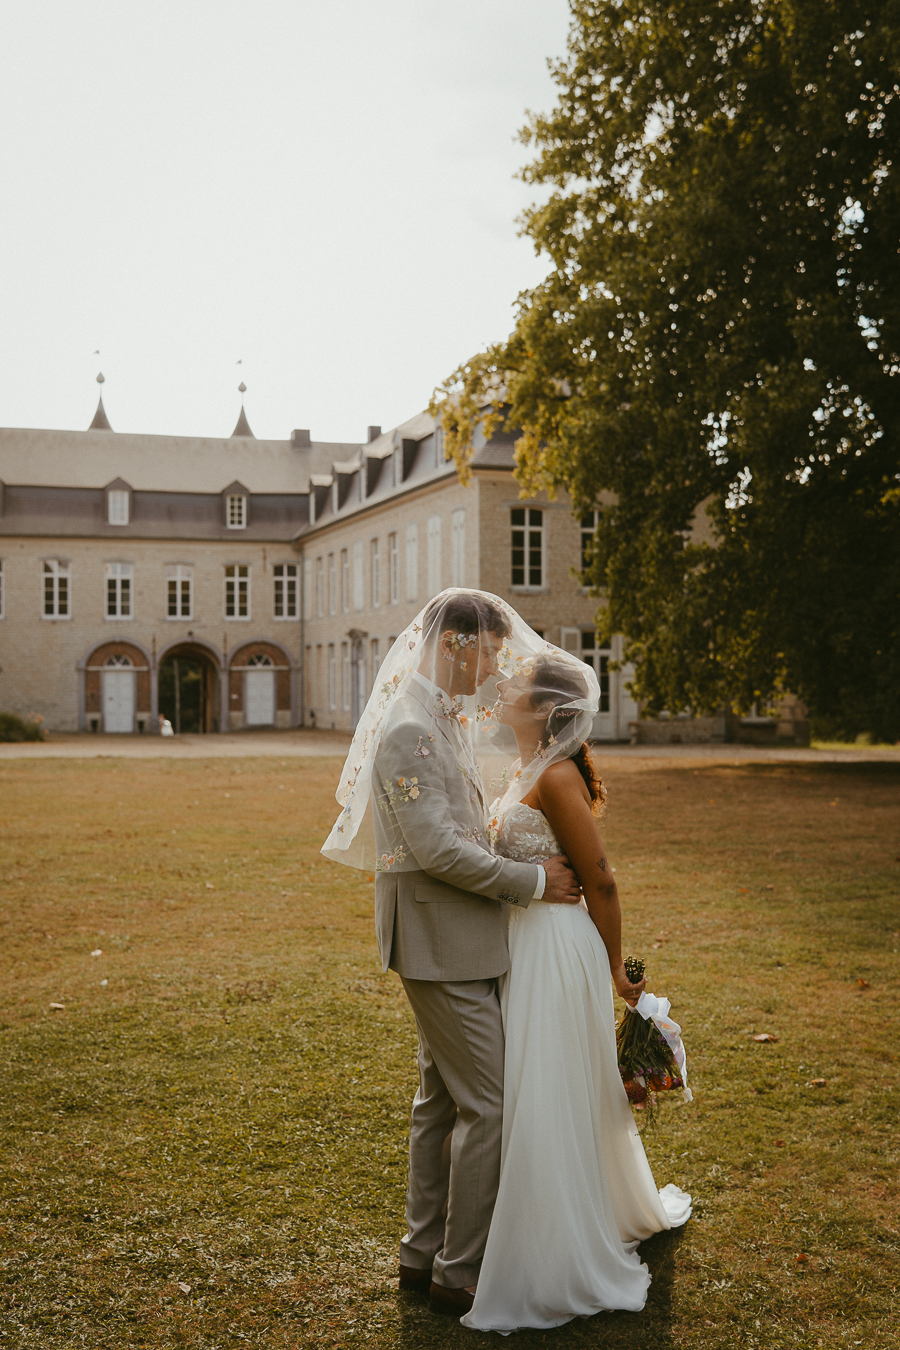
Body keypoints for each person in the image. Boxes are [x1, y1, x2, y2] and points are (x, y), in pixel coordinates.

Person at [322, 590, 583, 1316]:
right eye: (492, 649)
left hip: (454, 935)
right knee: (490, 1105)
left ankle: (420, 1253)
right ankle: (459, 1270)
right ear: (458, 644)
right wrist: (532, 881)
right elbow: (435, 849)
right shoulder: (411, 725)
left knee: (439, 1101)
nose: (498, 664)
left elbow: (457, 831)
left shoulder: (437, 717)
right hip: (439, 939)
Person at [460, 650, 691, 1334]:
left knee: (550, 1085)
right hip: (522, 942)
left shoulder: (556, 775)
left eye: (515, 691)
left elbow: (603, 882)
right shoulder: (526, 770)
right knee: (539, 1081)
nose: (501, 695)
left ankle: (557, 1248)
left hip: (559, 948)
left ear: (541, 712)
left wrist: (618, 970)